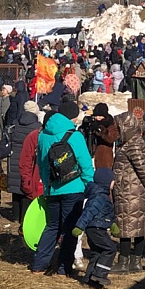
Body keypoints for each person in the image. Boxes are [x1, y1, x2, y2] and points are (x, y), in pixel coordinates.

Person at [32, 102, 94, 276]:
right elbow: (85, 163)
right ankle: (63, 267)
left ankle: (39, 264)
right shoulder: (74, 135)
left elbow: (42, 164)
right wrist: (89, 184)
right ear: (73, 117)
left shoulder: (43, 135)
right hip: (74, 188)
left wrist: (47, 185)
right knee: (69, 228)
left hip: (52, 188)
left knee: (52, 226)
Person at [111, 112, 145, 274]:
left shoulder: (134, 144)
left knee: (127, 227)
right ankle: (133, 261)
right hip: (130, 189)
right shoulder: (130, 142)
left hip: (131, 191)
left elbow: (141, 168)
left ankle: (125, 262)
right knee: (135, 226)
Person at [72, 168, 119, 288]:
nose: (114, 183)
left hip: (97, 228)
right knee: (110, 249)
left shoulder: (101, 195)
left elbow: (107, 213)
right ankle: (99, 274)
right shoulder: (99, 197)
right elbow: (88, 212)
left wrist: (112, 224)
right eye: (113, 181)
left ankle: (89, 279)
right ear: (107, 182)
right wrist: (79, 226)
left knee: (97, 252)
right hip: (96, 229)